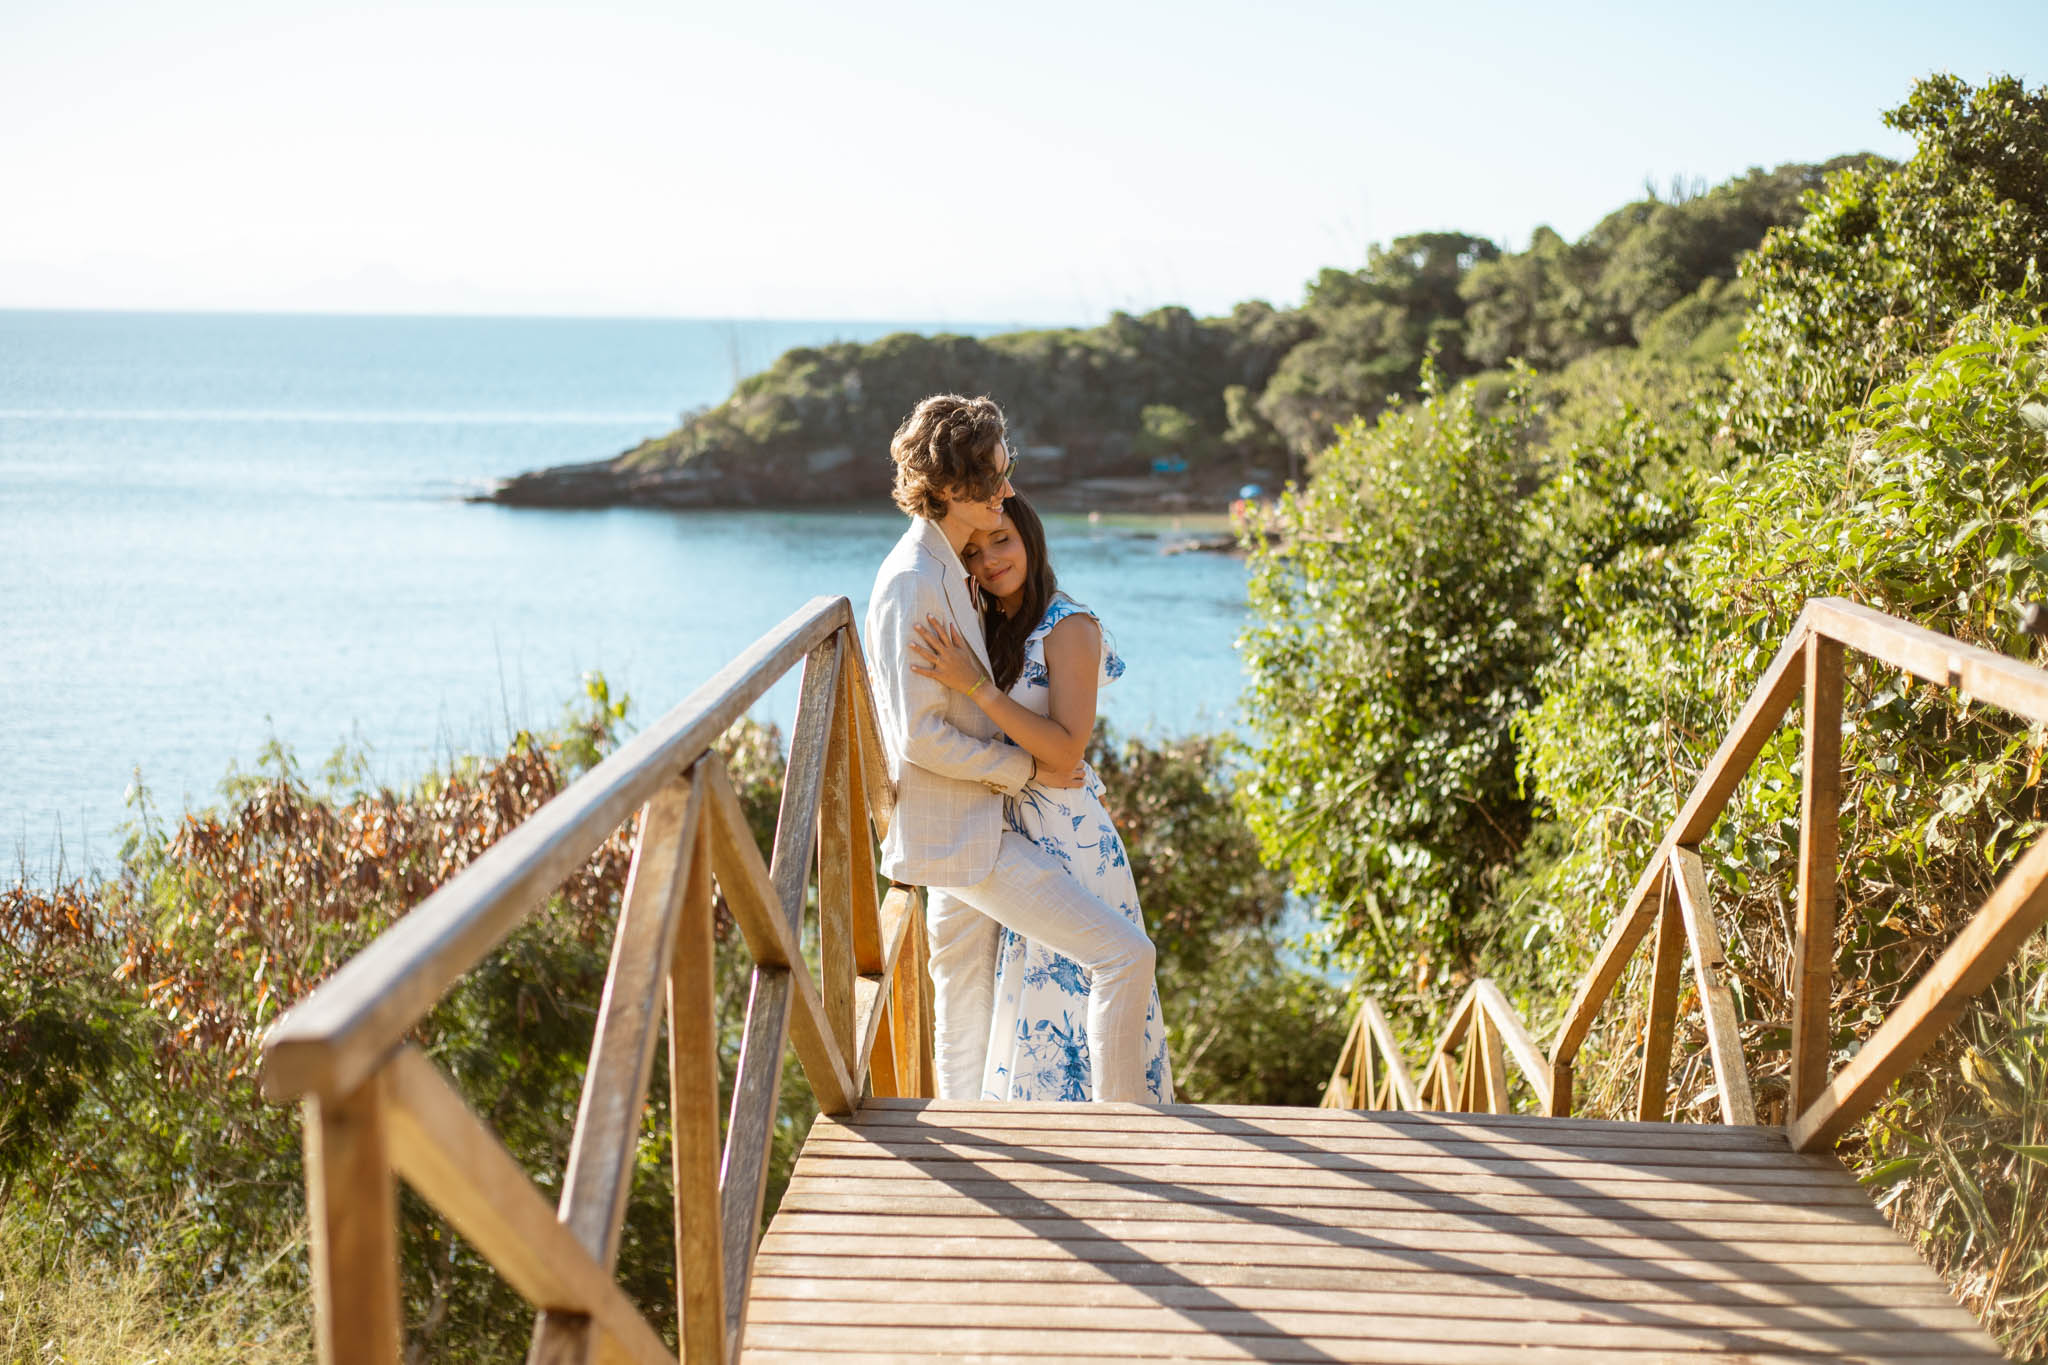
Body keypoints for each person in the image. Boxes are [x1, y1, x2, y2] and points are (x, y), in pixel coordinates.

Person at [862, 394, 1158, 1103]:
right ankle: (1124, 1134)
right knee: (1119, 956)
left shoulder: (950, 570)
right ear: (951, 485)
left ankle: (973, 1138)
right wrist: (1027, 768)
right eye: (993, 474)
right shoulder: (915, 580)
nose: (1007, 487)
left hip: (979, 824)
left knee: (966, 1009)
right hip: (964, 830)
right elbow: (918, 735)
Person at [907, 494, 1173, 1102]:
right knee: (1038, 1008)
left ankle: (1119, 1134)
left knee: (1098, 979)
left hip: (1069, 837)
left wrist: (976, 687)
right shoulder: (989, 627)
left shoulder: (1070, 626)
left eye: (1002, 540)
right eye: (972, 551)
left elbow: (1065, 753)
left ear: (1030, 537)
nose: (989, 560)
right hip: (1009, 834)